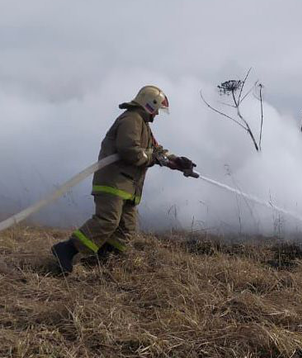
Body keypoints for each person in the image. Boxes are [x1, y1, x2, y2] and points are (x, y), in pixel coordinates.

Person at [50, 86, 197, 275]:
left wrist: (177, 161)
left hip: (127, 187)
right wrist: (153, 159)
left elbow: (156, 150)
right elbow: (129, 151)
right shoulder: (131, 119)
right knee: (108, 221)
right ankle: (66, 249)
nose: (158, 115)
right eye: (157, 109)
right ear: (150, 104)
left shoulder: (143, 124)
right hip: (113, 183)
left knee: (126, 229)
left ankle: (99, 261)